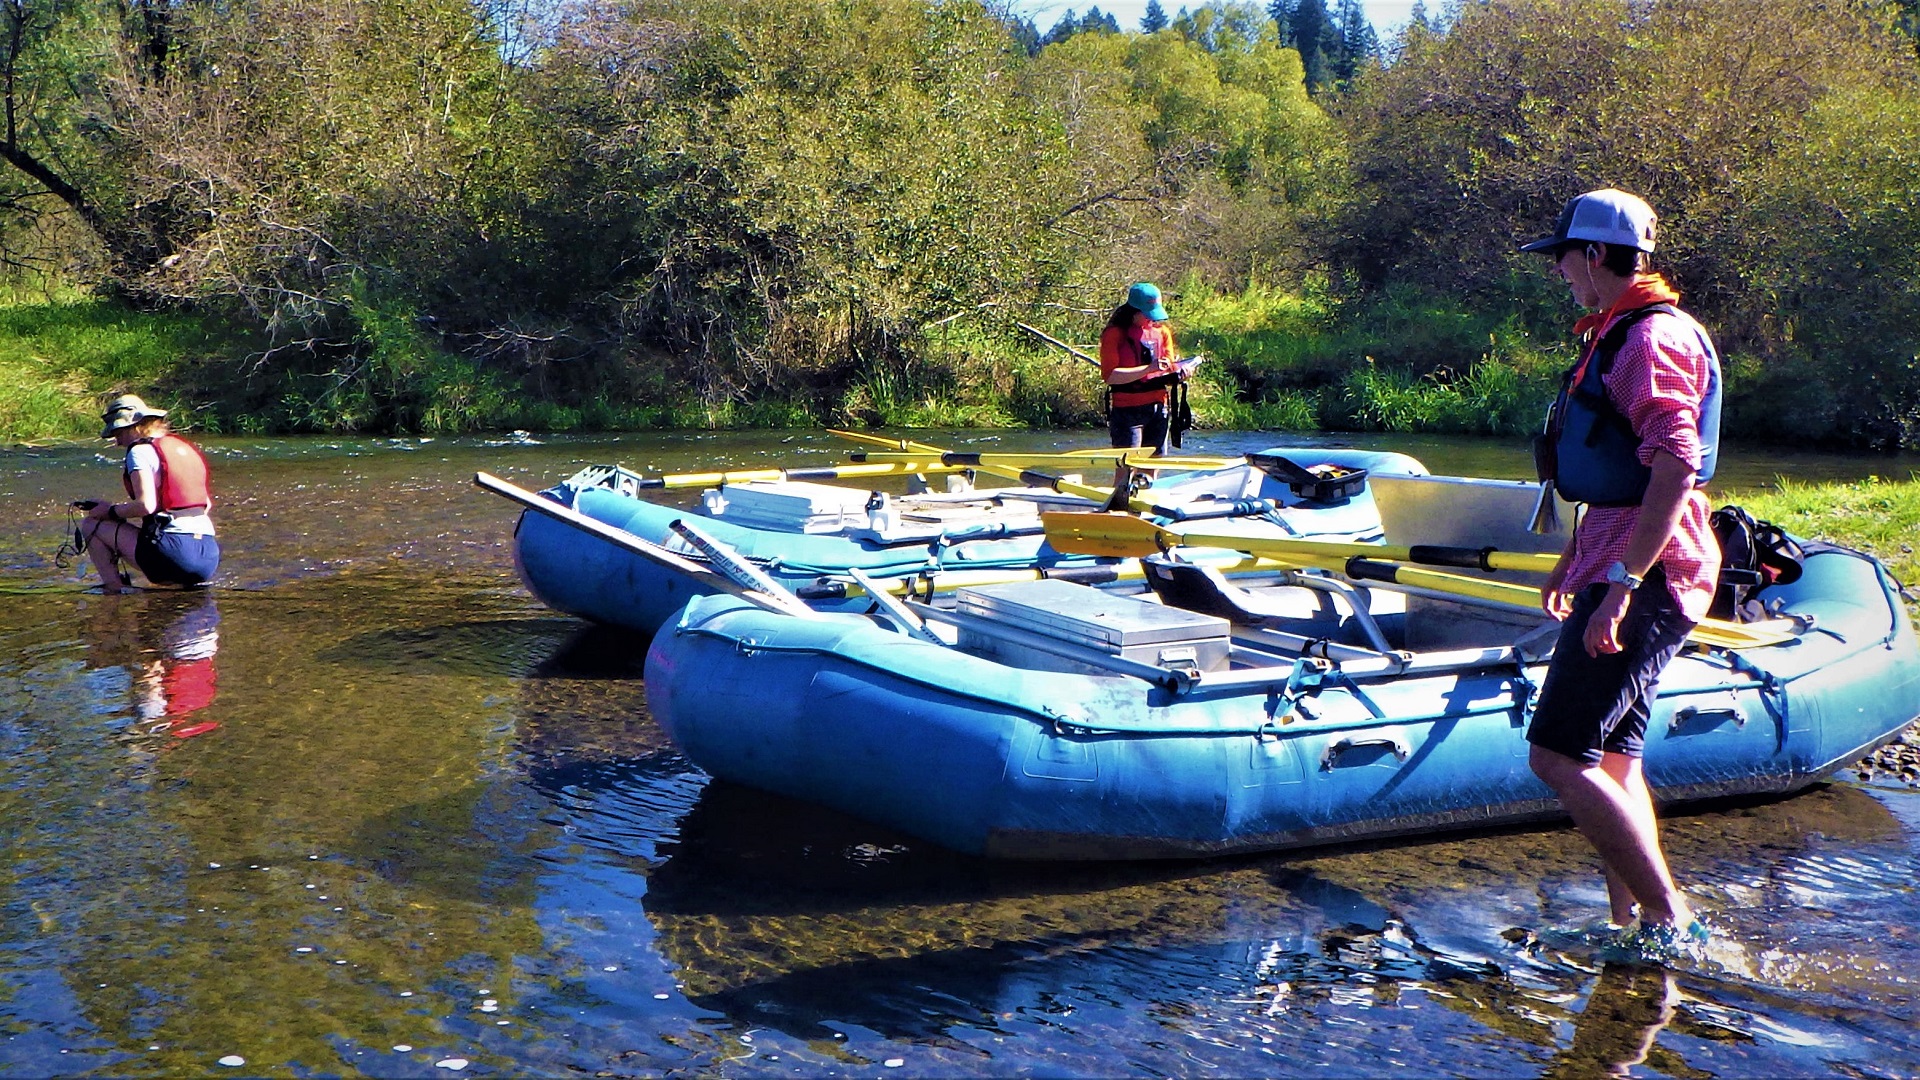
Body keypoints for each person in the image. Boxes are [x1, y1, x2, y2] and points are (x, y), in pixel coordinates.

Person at [1520, 189, 1721, 940]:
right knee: (1611, 758)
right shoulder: (1620, 331)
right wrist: (1575, 561)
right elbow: (1620, 477)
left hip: (1649, 572)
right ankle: (1629, 921)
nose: (1561, 272)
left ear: (1596, 255)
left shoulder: (1649, 340)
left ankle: (1671, 920)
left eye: (1565, 258)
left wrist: (1623, 586)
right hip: (1615, 560)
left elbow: (1675, 464)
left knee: (1556, 755)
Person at [79, 394, 221, 594]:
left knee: (92, 525)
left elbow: (146, 505)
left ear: (133, 427)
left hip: (175, 554)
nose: (117, 441)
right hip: (208, 556)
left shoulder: (139, 452)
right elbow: (206, 504)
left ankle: (114, 590)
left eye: (118, 433)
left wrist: (108, 511)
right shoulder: (184, 448)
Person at [1099, 282, 1187, 454]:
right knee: (1127, 465)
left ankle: (1147, 483)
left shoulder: (1162, 332)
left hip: (1158, 407)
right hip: (1127, 410)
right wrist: (1148, 369)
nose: (1152, 319)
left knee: (1153, 464)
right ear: (1133, 311)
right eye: (1147, 314)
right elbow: (1110, 376)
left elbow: (1169, 366)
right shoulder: (1114, 334)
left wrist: (1181, 372)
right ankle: (1124, 483)